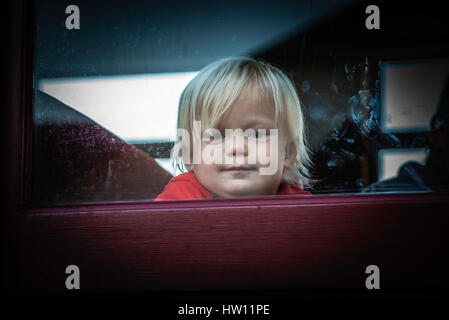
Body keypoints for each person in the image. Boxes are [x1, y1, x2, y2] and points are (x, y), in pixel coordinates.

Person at [155, 57, 312, 201]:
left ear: (288, 153)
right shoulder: (180, 199)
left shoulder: (305, 208)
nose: (236, 148)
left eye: (256, 134)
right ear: (189, 155)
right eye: (215, 136)